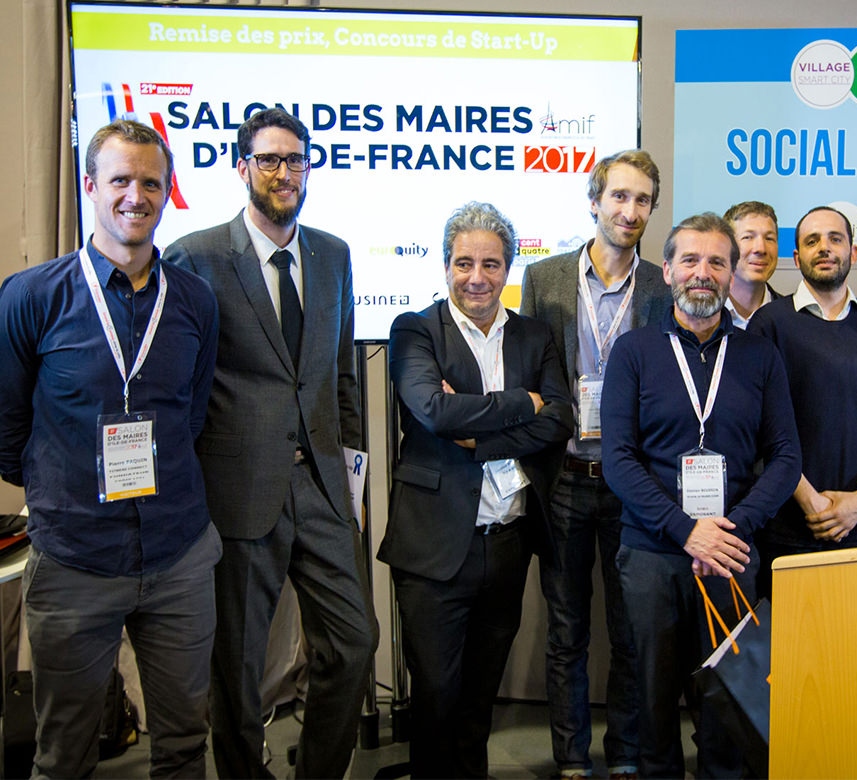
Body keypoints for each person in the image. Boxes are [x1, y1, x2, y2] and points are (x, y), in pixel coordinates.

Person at [0, 119, 220, 777]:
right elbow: (7, 428)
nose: (135, 195)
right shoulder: (31, 296)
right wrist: (59, 488)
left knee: (184, 744)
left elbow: (193, 415)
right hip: (74, 564)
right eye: (120, 180)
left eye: (150, 182)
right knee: (65, 753)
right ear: (91, 186)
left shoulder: (195, 302)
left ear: (168, 192)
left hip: (178, 556)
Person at [163, 107, 376, 779]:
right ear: (242, 168)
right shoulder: (195, 256)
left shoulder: (334, 253)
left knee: (355, 640)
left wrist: (349, 484)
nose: (284, 173)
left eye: (295, 160)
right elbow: (178, 387)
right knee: (239, 665)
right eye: (269, 160)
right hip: (235, 492)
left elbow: (342, 377)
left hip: (318, 488)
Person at [601, 212, 801, 778]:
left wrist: (731, 528)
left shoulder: (759, 356)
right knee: (653, 702)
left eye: (717, 261)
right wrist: (687, 530)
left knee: (729, 708)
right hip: (651, 555)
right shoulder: (634, 352)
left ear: (731, 273)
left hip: (733, 554)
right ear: (666, 270)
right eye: (689, 259)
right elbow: (618, 457)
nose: (702, 273)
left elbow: (787, 457)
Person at [380, 202, 573, 778]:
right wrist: (522, 405)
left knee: (479, 698)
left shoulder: (534, 336)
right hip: (435, 548)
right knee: (437, 700)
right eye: (463, 263)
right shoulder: (415, 330)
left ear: (510, 268)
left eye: (491, 264)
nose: (477, 278)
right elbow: (436, 412)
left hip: (508, 542)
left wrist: (482, 436)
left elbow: (560, 419)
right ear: (444, 266)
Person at [519, 149, 671, 779]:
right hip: (566, 481)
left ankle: (628, 755)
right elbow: (527, 367)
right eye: (619, 197)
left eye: (642, 201)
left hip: (635, 484)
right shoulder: (545, 277)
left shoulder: (664, 286)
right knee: (567, 630)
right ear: (594, 199)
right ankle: (572, 759)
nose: (630, 211)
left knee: (633, 631)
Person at [748, 206, 857, 585]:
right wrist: (812, 503)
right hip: (791, 525)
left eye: (835, 239)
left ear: (853, 252)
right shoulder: (769, 324)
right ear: (796, 257)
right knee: (792, 642)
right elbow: (760, 427)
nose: (824, 248)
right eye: (812, 241)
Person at [723, 201, 782, 329]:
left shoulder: (792, 319)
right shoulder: (699, 315)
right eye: (748, 237)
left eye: (769, 238)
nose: (761, 249)